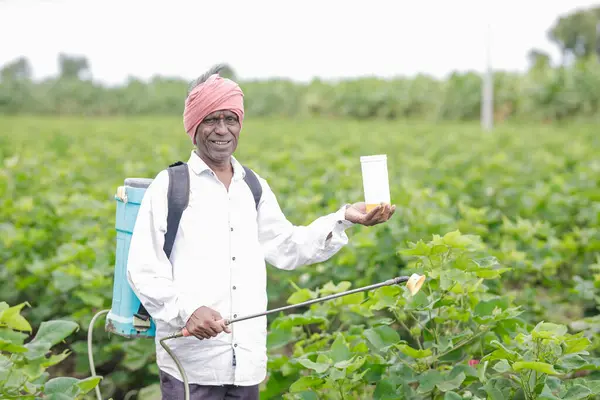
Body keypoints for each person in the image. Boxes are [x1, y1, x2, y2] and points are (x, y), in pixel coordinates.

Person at [126, 65, 396, 400]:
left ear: (240, 125)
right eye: (211, 119)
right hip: (191, 366)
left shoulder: (252, 187)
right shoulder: (170, 187)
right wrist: (188, 310)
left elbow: (288, 247)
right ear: (193, 127)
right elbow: (143, 268)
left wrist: (344, 218)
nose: (222, 129)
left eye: (230, 119)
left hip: (247, 365)